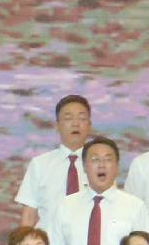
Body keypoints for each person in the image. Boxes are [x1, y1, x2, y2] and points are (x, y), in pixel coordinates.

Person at [11, 92, 99, 221]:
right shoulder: (40, 164)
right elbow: (29, 215)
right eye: (68, 118)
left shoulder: (100, 165)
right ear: (57, 126)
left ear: (89, 126)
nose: (75, 124)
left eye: (81, 118)